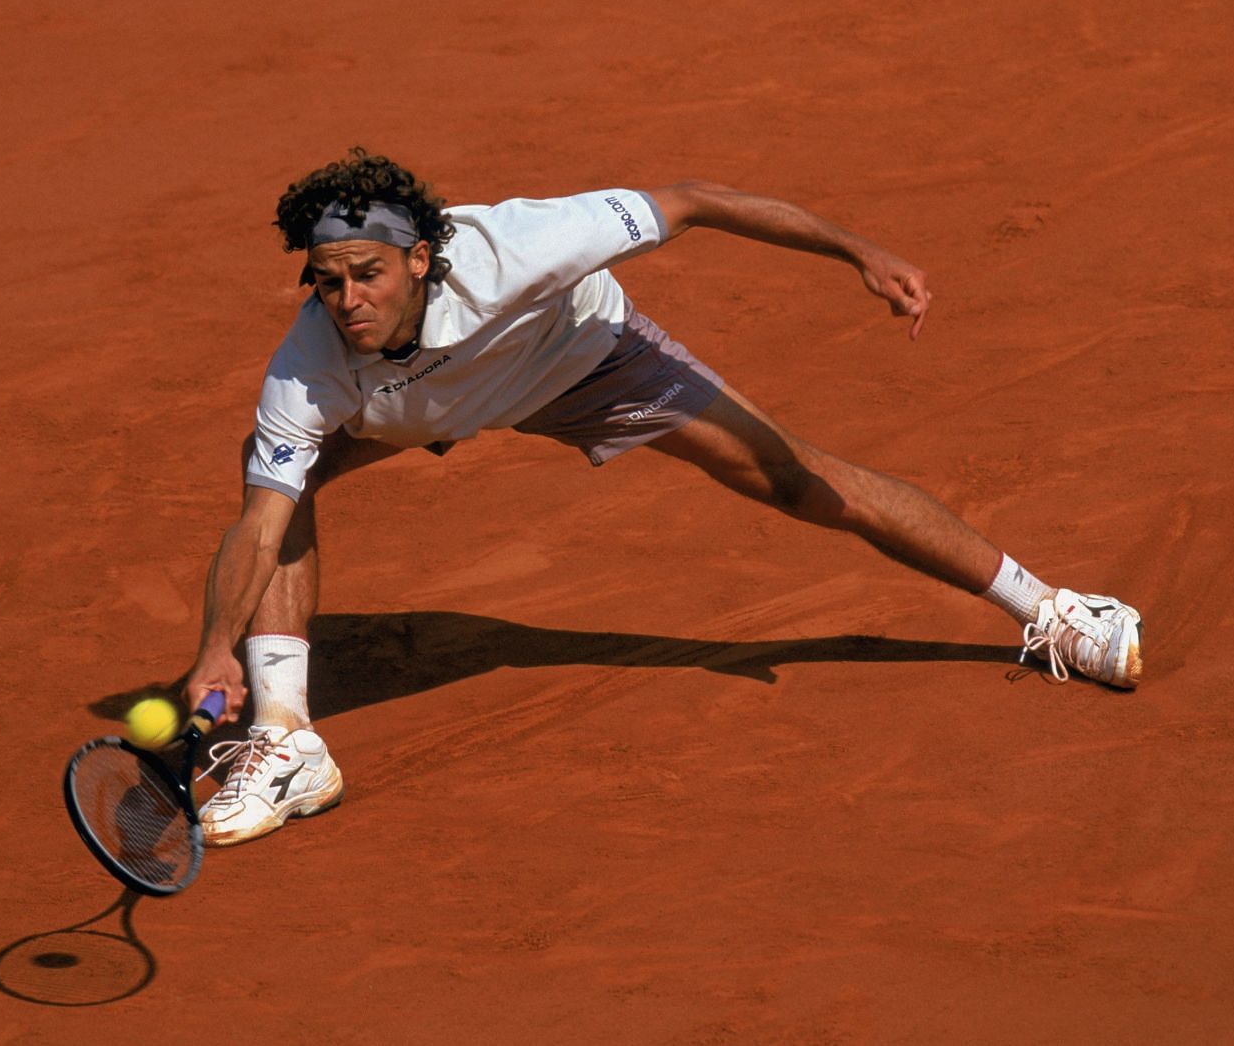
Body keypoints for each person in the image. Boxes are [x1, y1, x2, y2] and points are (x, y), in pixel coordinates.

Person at [185, 148, 1142, 847]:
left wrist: (859, 250)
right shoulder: (308, 364)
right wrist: (217, 647)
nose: (346, 300)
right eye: (326, 282)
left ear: (422, 261)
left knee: (803, 485)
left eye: (367, 275)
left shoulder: (524, 248)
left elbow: (697, 199)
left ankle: (1054, 612)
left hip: (582, 365)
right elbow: (259, 528)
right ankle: (287, 737)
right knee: (277, 475)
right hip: (405, 405)